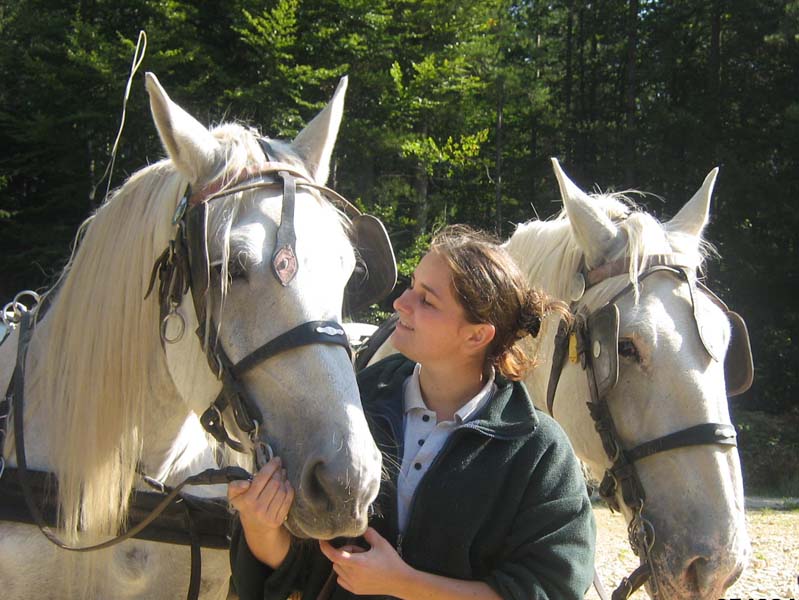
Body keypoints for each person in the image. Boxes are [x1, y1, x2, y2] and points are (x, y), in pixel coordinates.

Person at [228, 224, 596, 600]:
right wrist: (261, 527)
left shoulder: (540, 452)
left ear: (476, 336)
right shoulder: (354, 407)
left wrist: (404, 585)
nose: (400, 304)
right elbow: (300, 571)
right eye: (411, 285)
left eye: (427, 300)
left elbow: (552, 589)